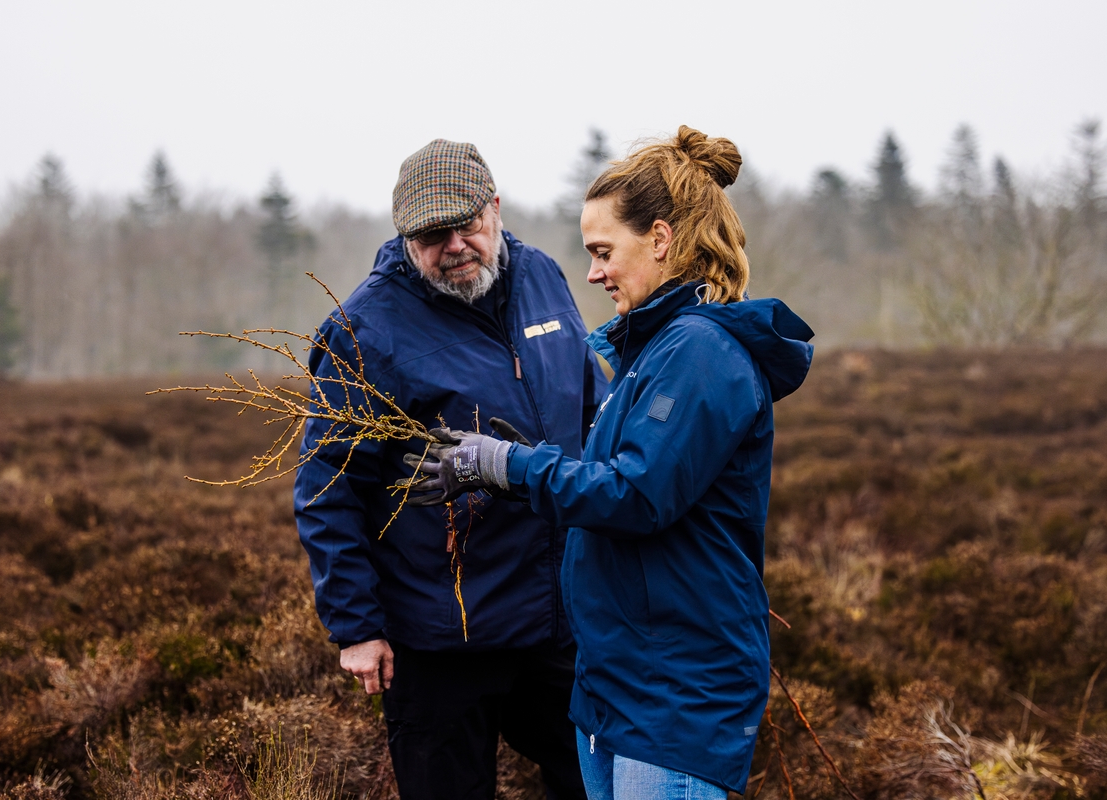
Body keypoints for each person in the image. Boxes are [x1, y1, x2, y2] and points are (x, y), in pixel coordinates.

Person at [404, 126, 815, 799]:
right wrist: (523, 465)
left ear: (660, 239)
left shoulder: (701, 354)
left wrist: (509, 466)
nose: (593, 274)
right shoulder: (652, 352)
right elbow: (619, 476)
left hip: (678, 695)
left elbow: (637, 494)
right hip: (617, 688)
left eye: (603, 252)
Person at [294, 138, 605, 800]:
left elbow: (592, 410)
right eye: (433, 235)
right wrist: (356, 626)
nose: (455, 246)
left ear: (496, 208)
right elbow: (328, 487)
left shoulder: (544, 277)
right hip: (440, 637)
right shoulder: (363, 330)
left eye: (467, 224)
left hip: (558, 621)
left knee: (595, 786)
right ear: (405, 236)